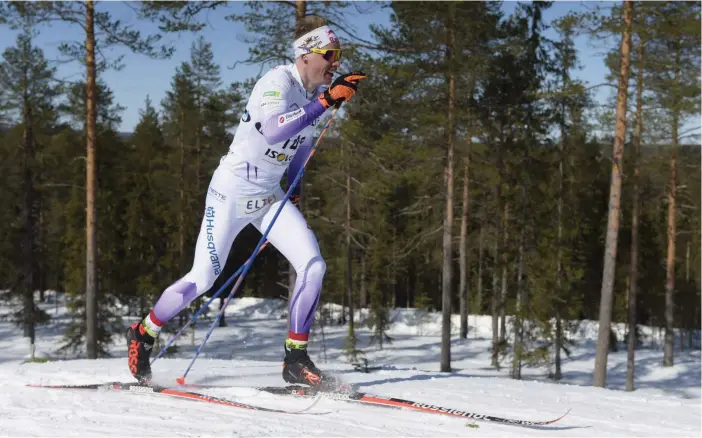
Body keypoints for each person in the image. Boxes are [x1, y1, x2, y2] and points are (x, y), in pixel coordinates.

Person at [126, 16, 366, 388]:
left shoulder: (309, 98)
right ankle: (143, 332)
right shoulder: (277, 83)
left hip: (270, 197)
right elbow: (273, 130)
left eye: (339, 55)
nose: (335, 63)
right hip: (232, 193)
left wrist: (295, 185)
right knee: (203, 278)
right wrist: (326, 100)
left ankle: (295, 359)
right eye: (330, 54)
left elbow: (301, 144)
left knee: (313, 266)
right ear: (306, 55)